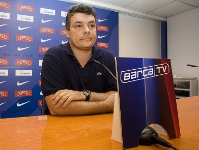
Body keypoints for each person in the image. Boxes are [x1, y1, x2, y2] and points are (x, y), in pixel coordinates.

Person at [41, 4, 117, 116]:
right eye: (78, 26)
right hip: (61, 129)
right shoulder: (54, 55)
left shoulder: (108, 57)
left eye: (91, 25)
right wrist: (105, 105)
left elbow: (116, 97)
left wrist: (84, 95)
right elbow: (56, 108)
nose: (87, 30)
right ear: (67, 32)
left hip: (99, 126)